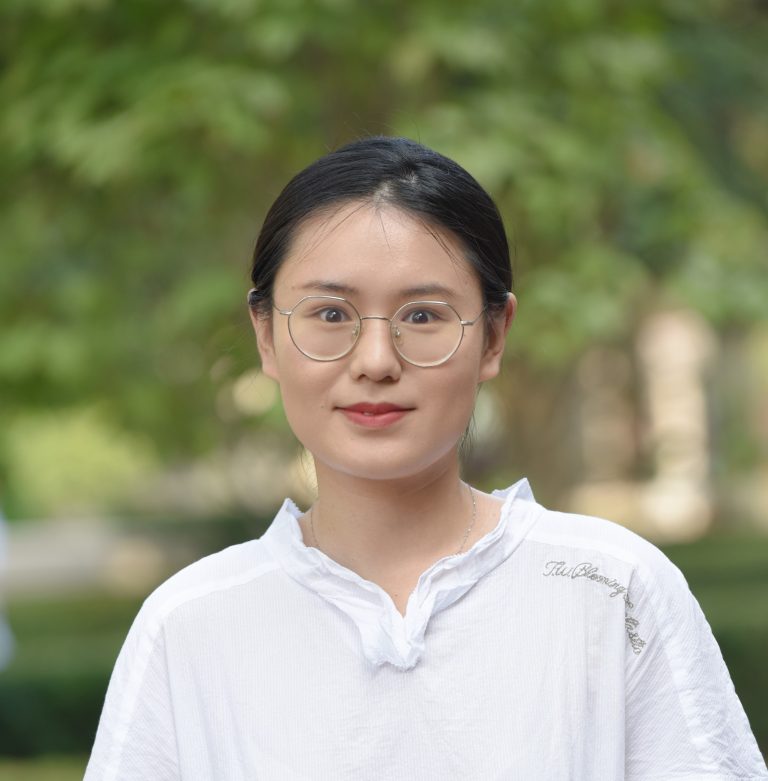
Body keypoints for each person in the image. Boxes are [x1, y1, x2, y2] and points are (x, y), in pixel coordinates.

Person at [85, 137, 768, 780]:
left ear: (493, 336)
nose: (375, 361)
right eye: (330, 314)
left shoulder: (613, 589)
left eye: (422, 316)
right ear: (266, 335)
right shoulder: (190, 624)